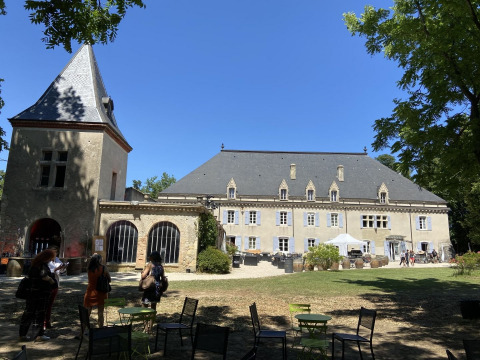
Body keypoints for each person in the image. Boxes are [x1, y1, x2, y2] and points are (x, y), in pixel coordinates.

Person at [19, 249, 57, 342]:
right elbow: (44, 276)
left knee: (28, 313)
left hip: (31, 293)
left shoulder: (34, 264)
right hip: (41, 293)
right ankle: (38, 335)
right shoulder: (42, 266)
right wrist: (51, 281)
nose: (51, 260)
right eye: (50, 258)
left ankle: (22, 334)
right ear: (47, 257)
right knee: (40, 314)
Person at [83, 253, 110, 328]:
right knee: (100, 313)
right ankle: (101, 330)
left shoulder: (89, 268)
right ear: (99, 260)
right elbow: (109, 279)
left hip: (90, 292)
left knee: (86, 313)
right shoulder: (103, 268)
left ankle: (81, 332)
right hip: (101, 292)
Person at [44, 246, 67, 330]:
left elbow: (60, 271)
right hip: (48, 284)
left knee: (50, 305)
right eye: (53, 252)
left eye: (56, 252)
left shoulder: (56, 259)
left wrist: (63, 267)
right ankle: (43, 323)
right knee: (45, 304)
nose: (55, 254)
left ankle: (47, 322)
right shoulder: (46, 261)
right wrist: (58, 268)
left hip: (55, 284)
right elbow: (48, 272)